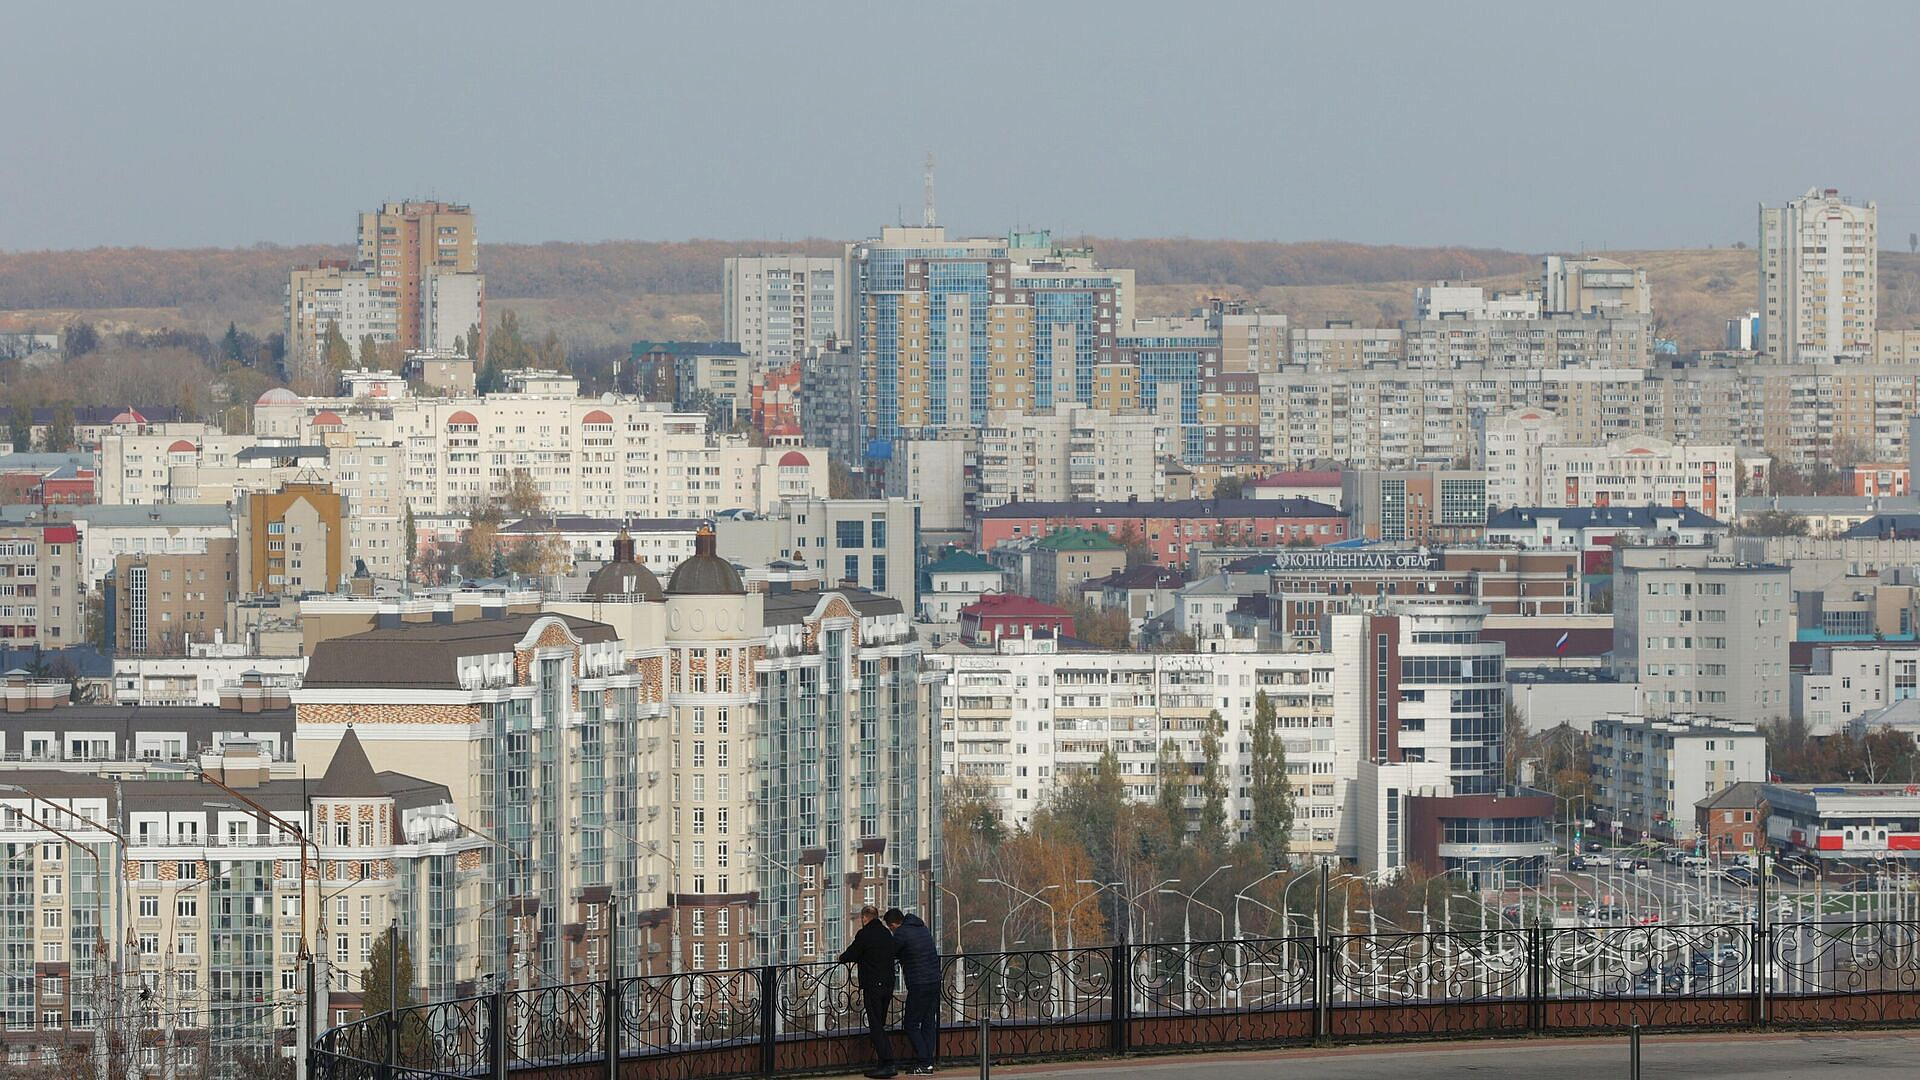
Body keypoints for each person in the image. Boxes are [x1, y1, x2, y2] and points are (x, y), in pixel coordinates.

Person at [839, 904, 899, 1078]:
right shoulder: (886, 933)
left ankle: (888, 1063)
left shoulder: (864, 934)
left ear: (864, 918)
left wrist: (841, 958)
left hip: (873, 985)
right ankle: (883, 1063)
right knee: (880, 1023)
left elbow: (852, 953)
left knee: (875, 1025)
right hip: (888, 984)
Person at [885, 908, 941, 1075]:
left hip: (919, 983)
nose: (892, 931)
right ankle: (928, 1063)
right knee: (929, 1023)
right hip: (934, 980)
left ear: (893, 924)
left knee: (910, 1024)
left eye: (890, 928)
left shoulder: (901, 933)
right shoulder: (921, 927)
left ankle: (924, 1062)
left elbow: (889, 951)